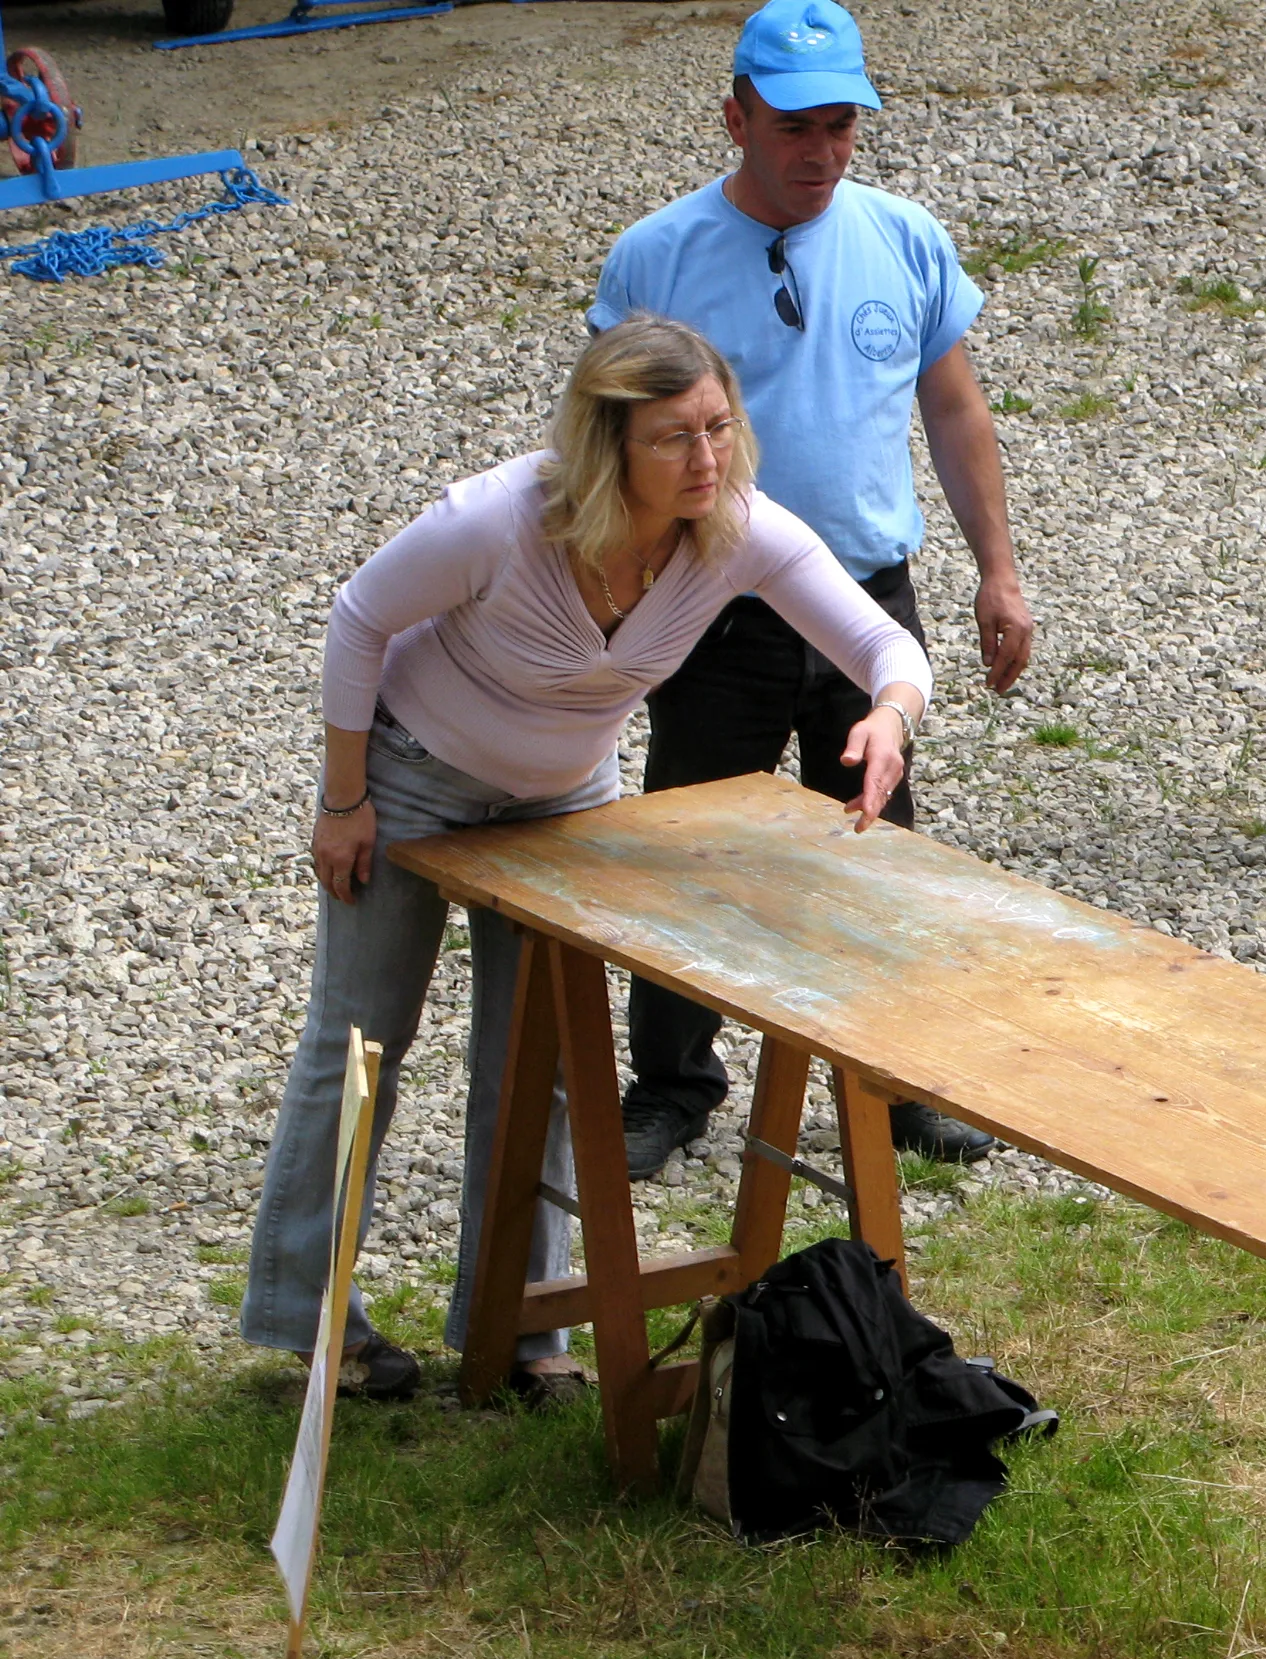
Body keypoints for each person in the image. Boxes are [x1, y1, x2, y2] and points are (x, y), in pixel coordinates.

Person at [240, 318, 933, 1404]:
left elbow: (885, 647)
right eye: (673, 440)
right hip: (413, 777)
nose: (706, 460)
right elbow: (359, 616)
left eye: (718, 428)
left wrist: (889, 718)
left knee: (548, 1062)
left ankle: (520, 1331)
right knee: (362, 1043)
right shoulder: (498, 520)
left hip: (563, 800)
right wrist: (344, 798)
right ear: (607, 446)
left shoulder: (736, 529)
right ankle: (306, 1326)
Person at [592, 0, 1033, 1176]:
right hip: (710, 603)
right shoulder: (656, 257)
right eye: (796, 127)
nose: (821, 152)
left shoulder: (902, 237)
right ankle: (673, 1088)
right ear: (735, 116)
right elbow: (606, 444)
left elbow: (954, 408)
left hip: (865, 594)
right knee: (690, 845)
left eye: (841, 126)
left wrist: (997, 568)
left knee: (878, 845)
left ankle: (889, 1081)